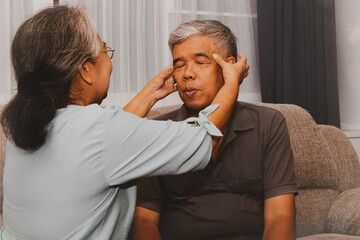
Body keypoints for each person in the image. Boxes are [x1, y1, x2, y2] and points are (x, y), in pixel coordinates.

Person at [0, 6, 249, 240]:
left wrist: (151, 93)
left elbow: (103, 147)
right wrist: (231, 84)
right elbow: (206, 140)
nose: (110, 61)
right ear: (85, 70)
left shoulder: (24, 127)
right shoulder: (101, 130)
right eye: (105, 51)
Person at [133, 20, 298, 240]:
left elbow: (281, 215)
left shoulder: (268, 124)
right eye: (179, 65)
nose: (187, 74)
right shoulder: (157, 130)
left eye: (200, 62)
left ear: (229, 68)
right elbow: (144, 219)